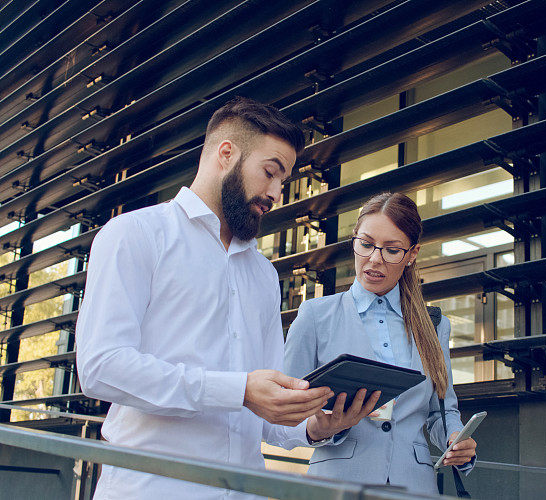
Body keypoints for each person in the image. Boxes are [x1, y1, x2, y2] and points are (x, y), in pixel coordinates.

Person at [76, 96, 337, 499]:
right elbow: (100, 367)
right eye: (270, 173)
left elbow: (264, 412)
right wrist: (238, 391)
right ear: (226, 153)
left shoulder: (264, 275)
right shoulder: (135, 235)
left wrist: (314, 427)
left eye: (282, 182)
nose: (276, 193)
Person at [283, 192, 477, 495]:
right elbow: (286, 409)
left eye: (392, 250)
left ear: (412, 254)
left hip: (414, 486)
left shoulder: (434, 325)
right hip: (337, 484)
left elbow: (441, 410)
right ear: (354, 241)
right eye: (366, 244)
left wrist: (456, 437)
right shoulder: (315, 316)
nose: (374, 259)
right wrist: (317, 429)